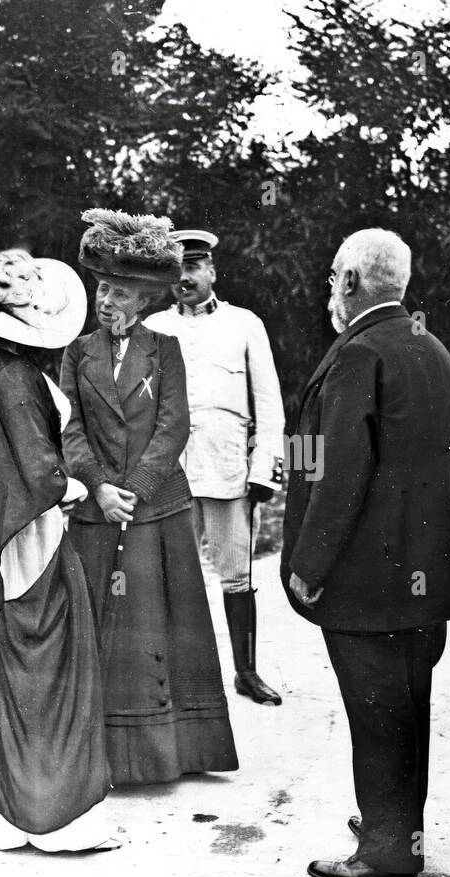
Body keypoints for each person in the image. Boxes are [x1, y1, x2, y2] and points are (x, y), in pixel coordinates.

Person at [281, 229, 450, 877]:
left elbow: (339, 477)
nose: (328, 288)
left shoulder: (360, 354)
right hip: (424, 581)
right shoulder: (432, 349)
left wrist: (307, 565)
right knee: (407, 709)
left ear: (353, 282)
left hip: (367, 581)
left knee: (375, 713)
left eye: (334, 275)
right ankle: (397, 829)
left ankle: (388, 847)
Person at [0, 249, 119, 852]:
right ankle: (44, 810)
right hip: (24, 535)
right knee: (47, 656)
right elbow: (39, 472)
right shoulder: (13, 376)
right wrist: (78, 486)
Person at [61, 209, 238, 786]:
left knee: (159, 625)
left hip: (155, 510)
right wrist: (98, 488)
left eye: (117, 292)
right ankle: (100, 756)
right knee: (102, 626)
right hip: (95, 509)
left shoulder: (164, 350)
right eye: (100, 288)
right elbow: (69, 430)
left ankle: (172, 752)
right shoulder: (76, 352)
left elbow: (174, 428)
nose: (105, 301)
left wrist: (130, 492)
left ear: (141, 301)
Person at [145, 229, 286, 706]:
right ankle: (183, 682)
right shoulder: (156, 329)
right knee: (175, 576)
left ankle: (246, 672)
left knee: (237, 575)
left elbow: (269, 405)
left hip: (228, 470)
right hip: (170, 474)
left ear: (211, 272)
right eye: (176, 270)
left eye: (193, 267)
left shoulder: (245, 324)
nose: (184, 278)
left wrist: (264, 469)